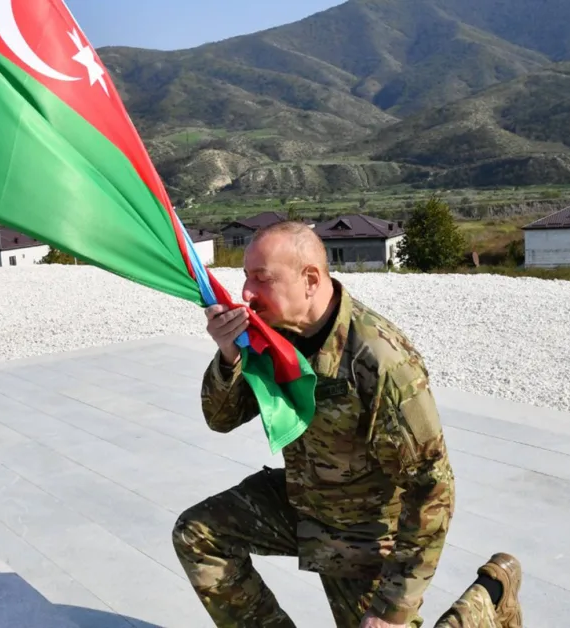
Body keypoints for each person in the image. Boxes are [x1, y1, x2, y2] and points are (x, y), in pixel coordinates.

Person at [172, 221, 523, 628]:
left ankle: (491, 595)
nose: (247, 293)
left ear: (310, 279)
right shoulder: (272, 333)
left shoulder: (380, 361)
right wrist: (229, 355)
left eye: (261, 279)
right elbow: (221, 419)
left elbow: (432, 487)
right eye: (246, 277)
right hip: (305, 499)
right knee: (199, 534)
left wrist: (393, 608)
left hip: (366, 532)